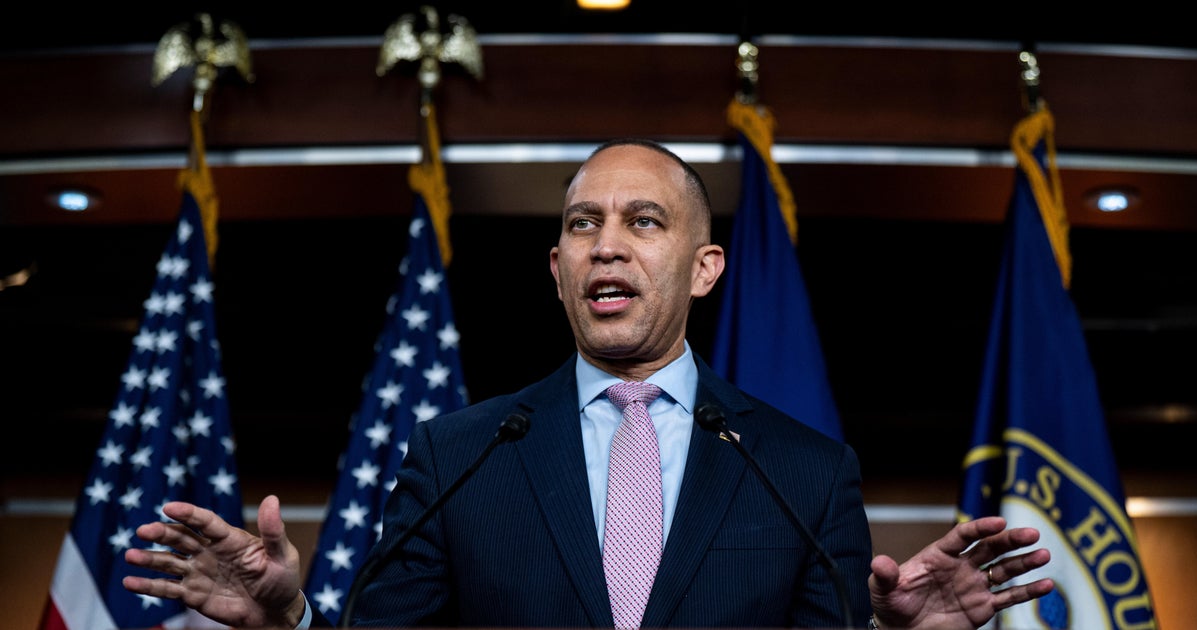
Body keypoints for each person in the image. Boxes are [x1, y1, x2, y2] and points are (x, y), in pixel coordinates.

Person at [123, 138, 1053, 629]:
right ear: (559, 269)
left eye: (644, 221)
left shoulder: (805, 473)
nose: (606, 243)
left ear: (704, 267)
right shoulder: (459, 454)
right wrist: (288, 617)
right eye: (581, 225)